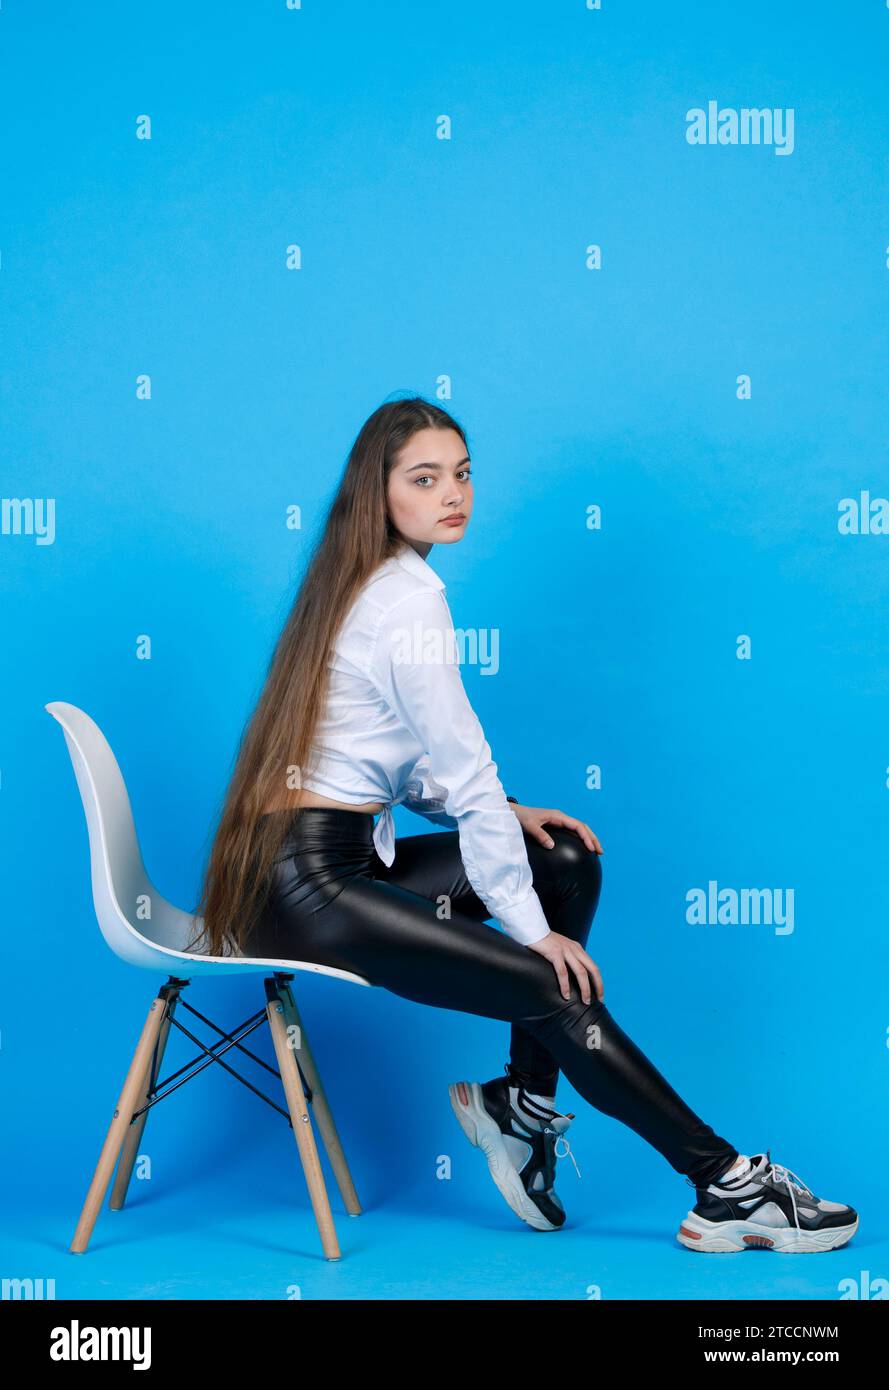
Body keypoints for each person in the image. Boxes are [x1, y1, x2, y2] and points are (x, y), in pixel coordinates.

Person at [192, 396, 858, 1254]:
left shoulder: (373, 584)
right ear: (378, 492)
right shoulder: (406, 602)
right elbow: (464, 766)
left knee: (565, 856)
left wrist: (509, 821)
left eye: (462, 474)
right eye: (424, 478)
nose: (452, 494)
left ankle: (521, 1107)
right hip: (307, 890)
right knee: (553, 980)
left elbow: (391, 765)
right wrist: (531, 934)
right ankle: (725, 1184)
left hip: (335, 867)